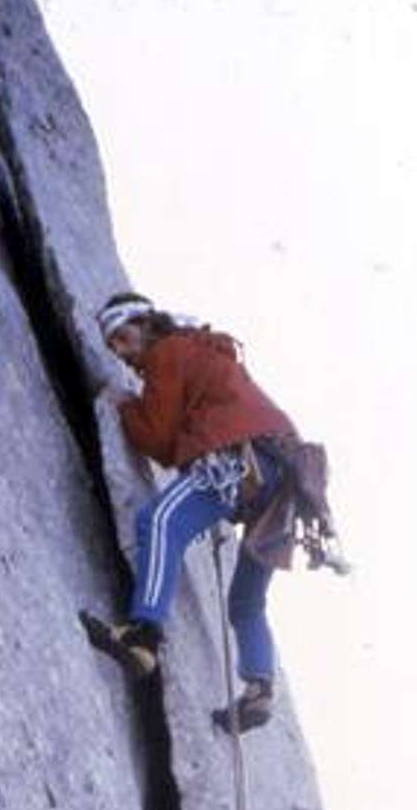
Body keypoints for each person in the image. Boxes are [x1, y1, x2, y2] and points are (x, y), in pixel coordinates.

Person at [89, 291, 299, 733]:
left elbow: (160, 438)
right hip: (281, 479)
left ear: (146, 324)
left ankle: (143, 634)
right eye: (114, 348)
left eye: (124, 338)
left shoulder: (169, 350)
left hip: (243, 460)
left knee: (160, 521)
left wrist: (126, 406)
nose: (124, 353)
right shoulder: (199, 351)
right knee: (246, 601)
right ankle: (260, 688)